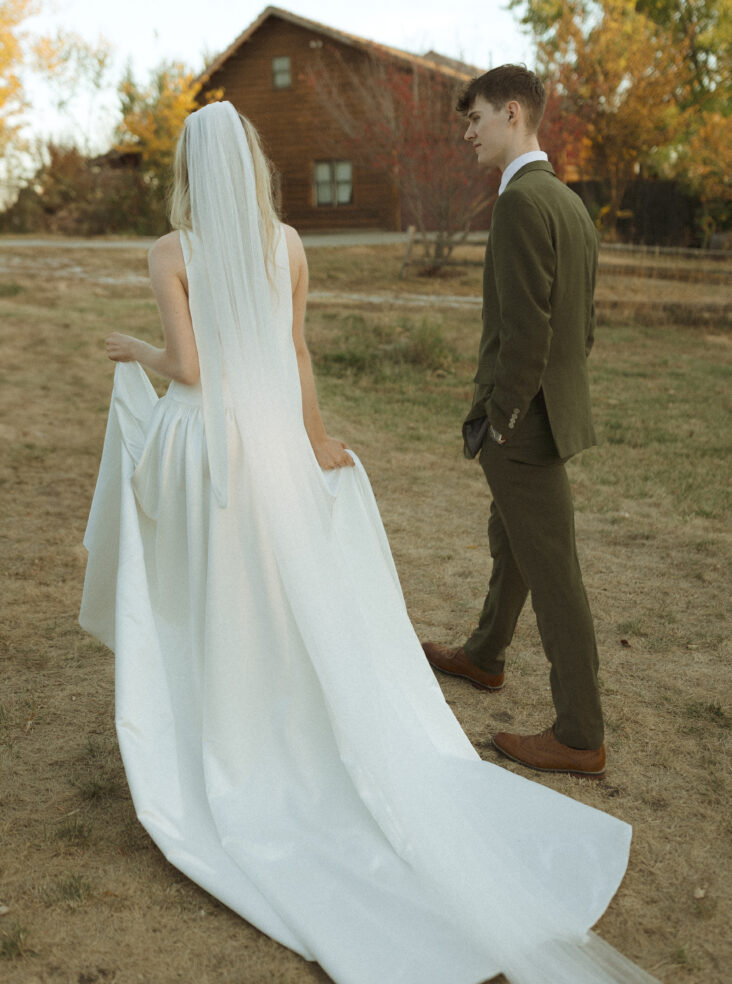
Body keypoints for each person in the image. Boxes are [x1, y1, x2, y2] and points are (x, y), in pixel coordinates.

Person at [80, 100, 658, 984]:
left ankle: (218, 720)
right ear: (255, 163)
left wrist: (137, 350)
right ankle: (268, 710)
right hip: (273, 438)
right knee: (277, 586)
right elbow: (299, 352)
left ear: (193, 171)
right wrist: (312, 440)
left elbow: (191, 368)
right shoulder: (291, 245)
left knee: (210, 587)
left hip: (209, 443)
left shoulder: (171, 252)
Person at [423, 65, 605, 778]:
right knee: (514, 541)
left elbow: (527, 334)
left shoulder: (522, 204)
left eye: (476, 119)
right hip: (547, 417)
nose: (468, 132)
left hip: (521, 426)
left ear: (514, 114)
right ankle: (486, 654)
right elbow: (580, 330)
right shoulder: (567, 203)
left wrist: (499, 421)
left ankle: (580, 733)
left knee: (554, 572)